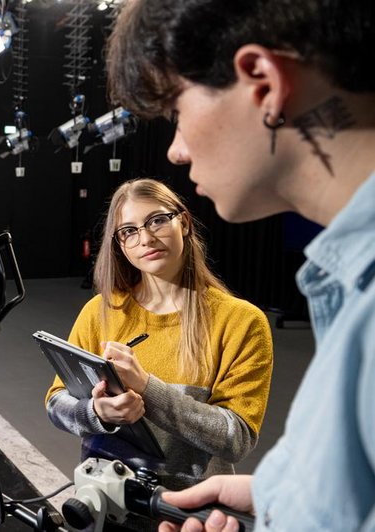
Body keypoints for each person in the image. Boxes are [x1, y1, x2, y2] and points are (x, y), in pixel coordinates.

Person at [104, 1, 375, 530]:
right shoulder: (347, 285)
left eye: (176, 112)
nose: (176, 152)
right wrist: (286, 498)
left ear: (263, 82)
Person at [45, 179, 273, 496]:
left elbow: (236, 439)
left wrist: (146, 388)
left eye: (157, 220)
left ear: (185, 222)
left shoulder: (241, 321)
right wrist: (97, 413)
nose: (146, 239)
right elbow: (56, 403)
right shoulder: (100, 311)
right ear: (120, 244)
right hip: (105, 505)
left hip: (189, 511)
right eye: (129, 231)